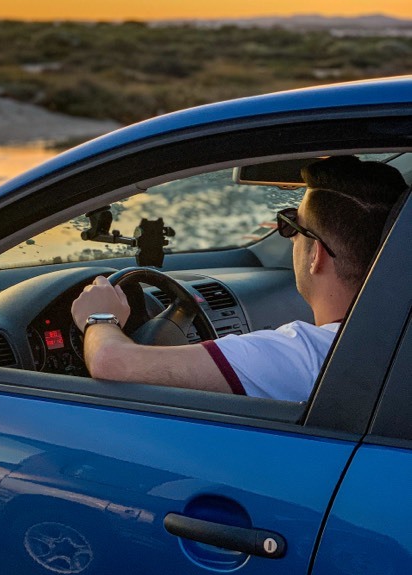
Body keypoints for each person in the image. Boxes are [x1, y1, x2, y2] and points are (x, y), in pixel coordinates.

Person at [71, 156, 407, 402]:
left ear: (317, 254)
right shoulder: (395, 342)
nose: (289, 238)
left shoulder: (305, 356)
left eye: (291, 225)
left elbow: (111, 362)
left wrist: (99, 317)